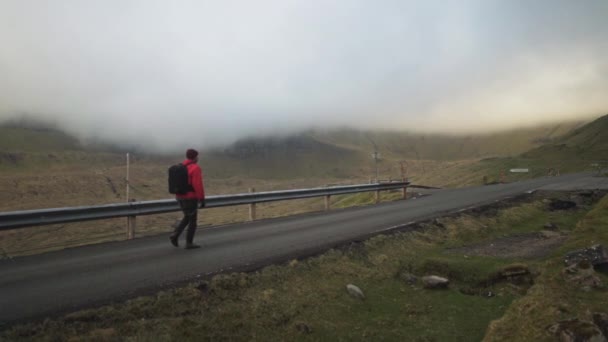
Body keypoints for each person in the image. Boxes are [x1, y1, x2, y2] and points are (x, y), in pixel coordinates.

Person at [170, 148, 205, 249]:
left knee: (187, 217)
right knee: (193, 220)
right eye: (197, 156)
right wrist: (201, 199)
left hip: (180, 196)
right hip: (190, 198)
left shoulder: (181, 166)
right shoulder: (195, 168)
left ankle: (175, 235)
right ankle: (189, 242)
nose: (198, 158)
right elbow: (197, 185)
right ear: (195, 157)